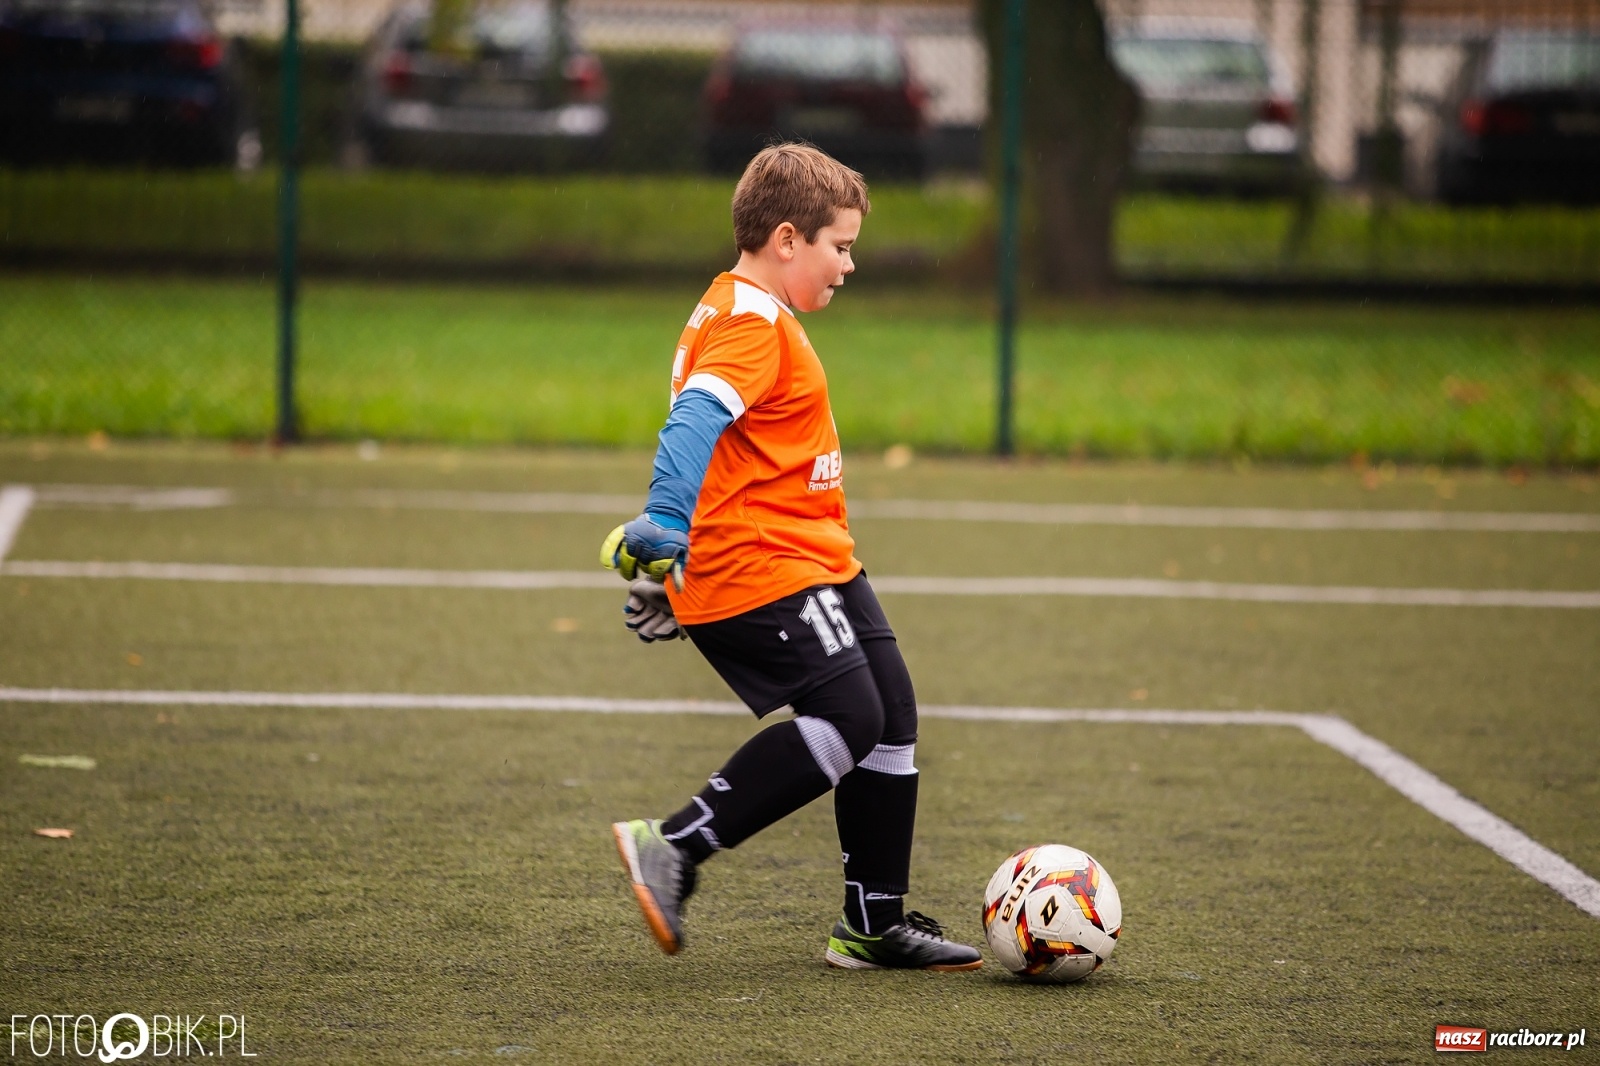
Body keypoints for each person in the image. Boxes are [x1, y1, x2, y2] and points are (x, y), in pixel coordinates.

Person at [600, 143, 981, 972]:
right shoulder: (749, 321)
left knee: (891, 713)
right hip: (765, 563)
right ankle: (674, 846)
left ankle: (872, 924)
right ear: (785, 238)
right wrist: (669, 524)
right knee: (851, 719)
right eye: (838, 246)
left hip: (813, 557)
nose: (848, 264)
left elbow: (736, 452)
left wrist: (678, 564)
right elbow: (697, 419)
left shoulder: (742, 308)